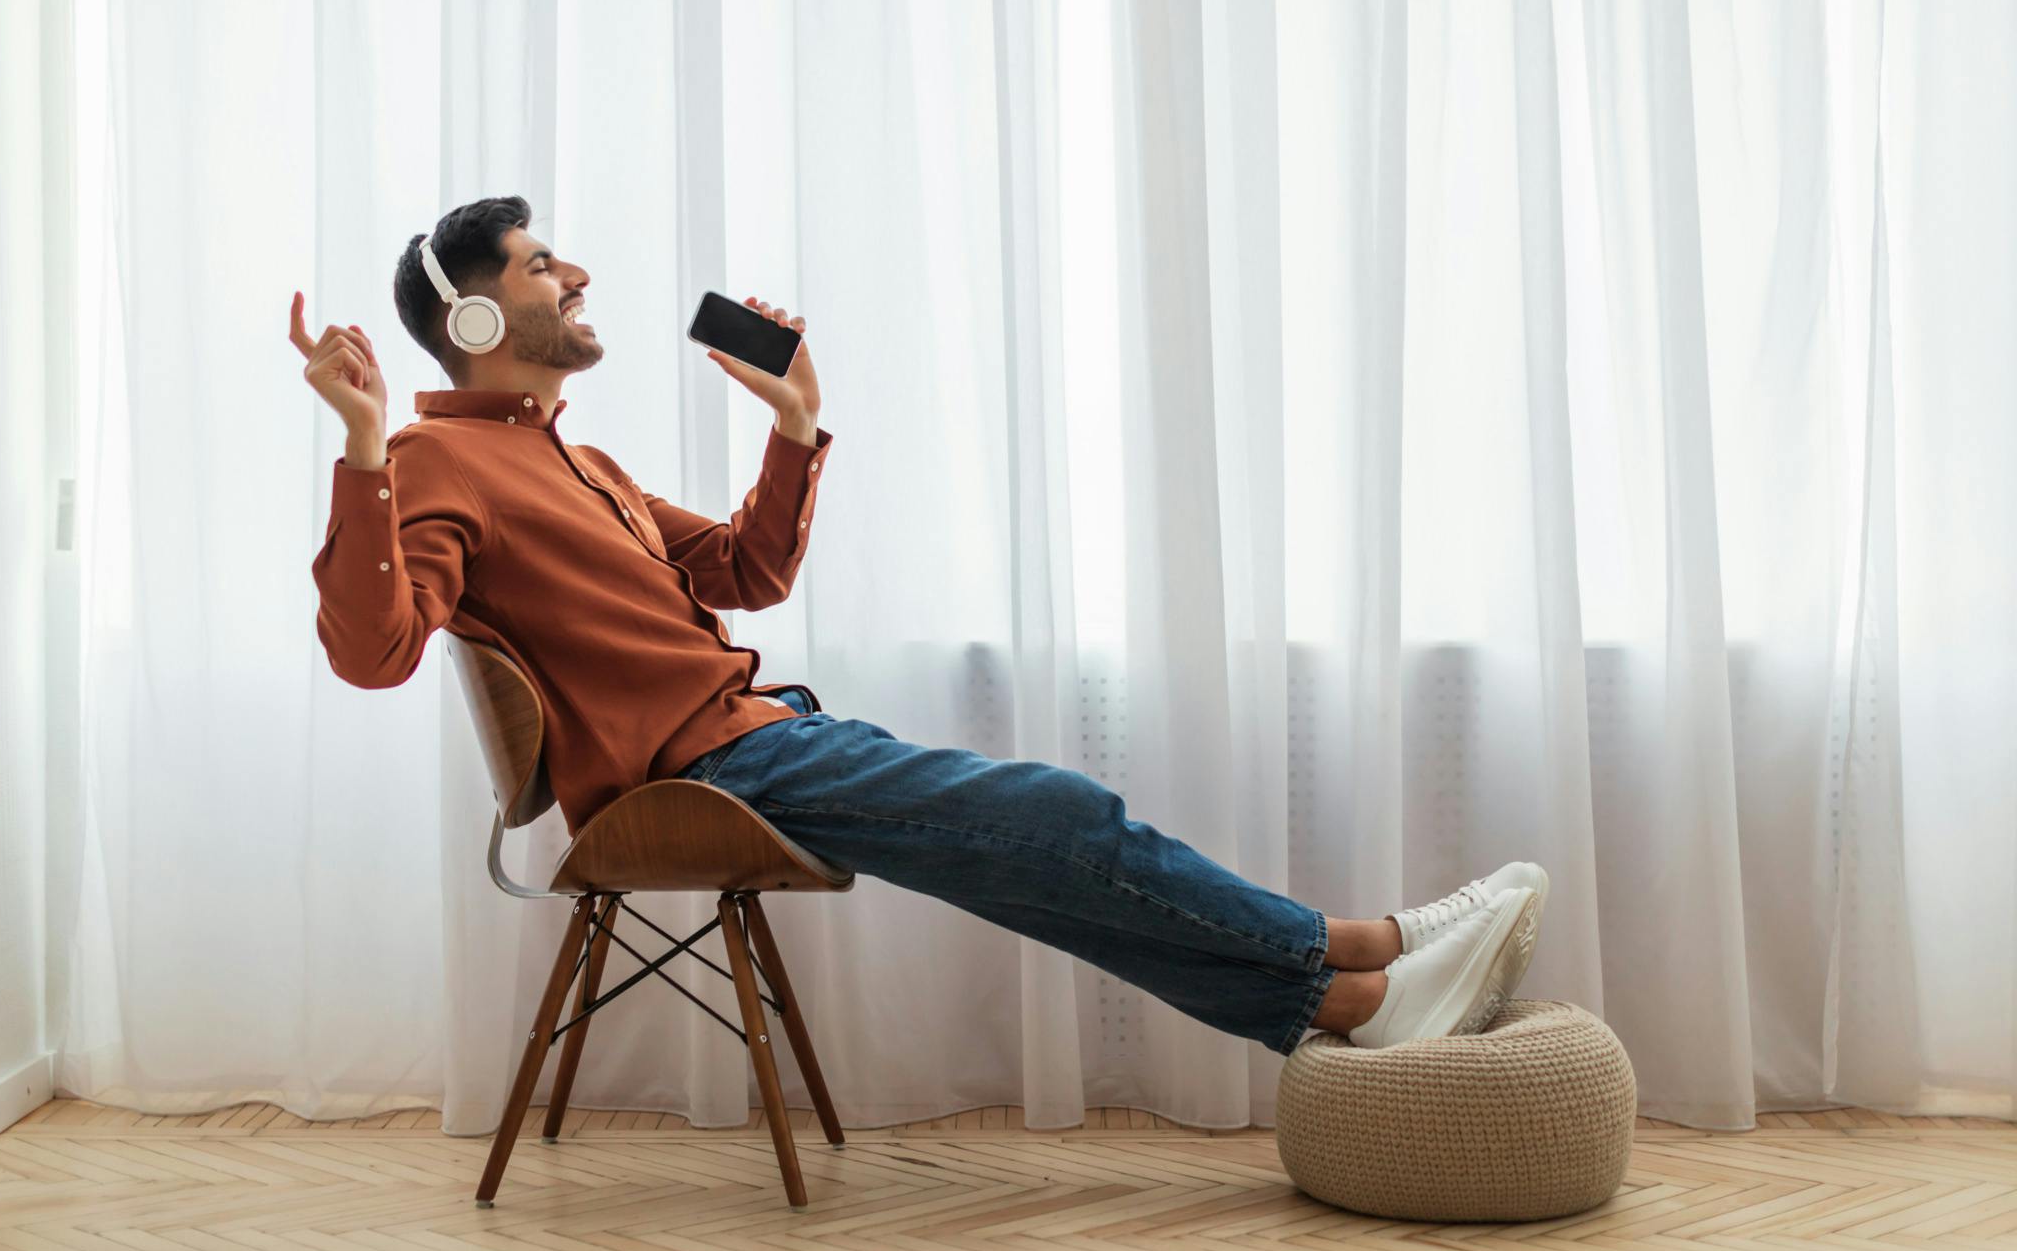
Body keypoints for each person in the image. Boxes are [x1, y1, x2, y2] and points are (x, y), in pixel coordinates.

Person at [294, 194, 1549, 1057]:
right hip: (697, 771)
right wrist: (360, 452)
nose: (574, 274)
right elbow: (375, 650)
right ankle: (1361, 955)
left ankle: (1353, 999)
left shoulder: (587, 460)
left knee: (1036, 851)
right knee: (1056, 815)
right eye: (538, 263)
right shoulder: (431, 461)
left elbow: (744, 570)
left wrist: (792, 424)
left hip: (756, 735)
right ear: (469, 321)